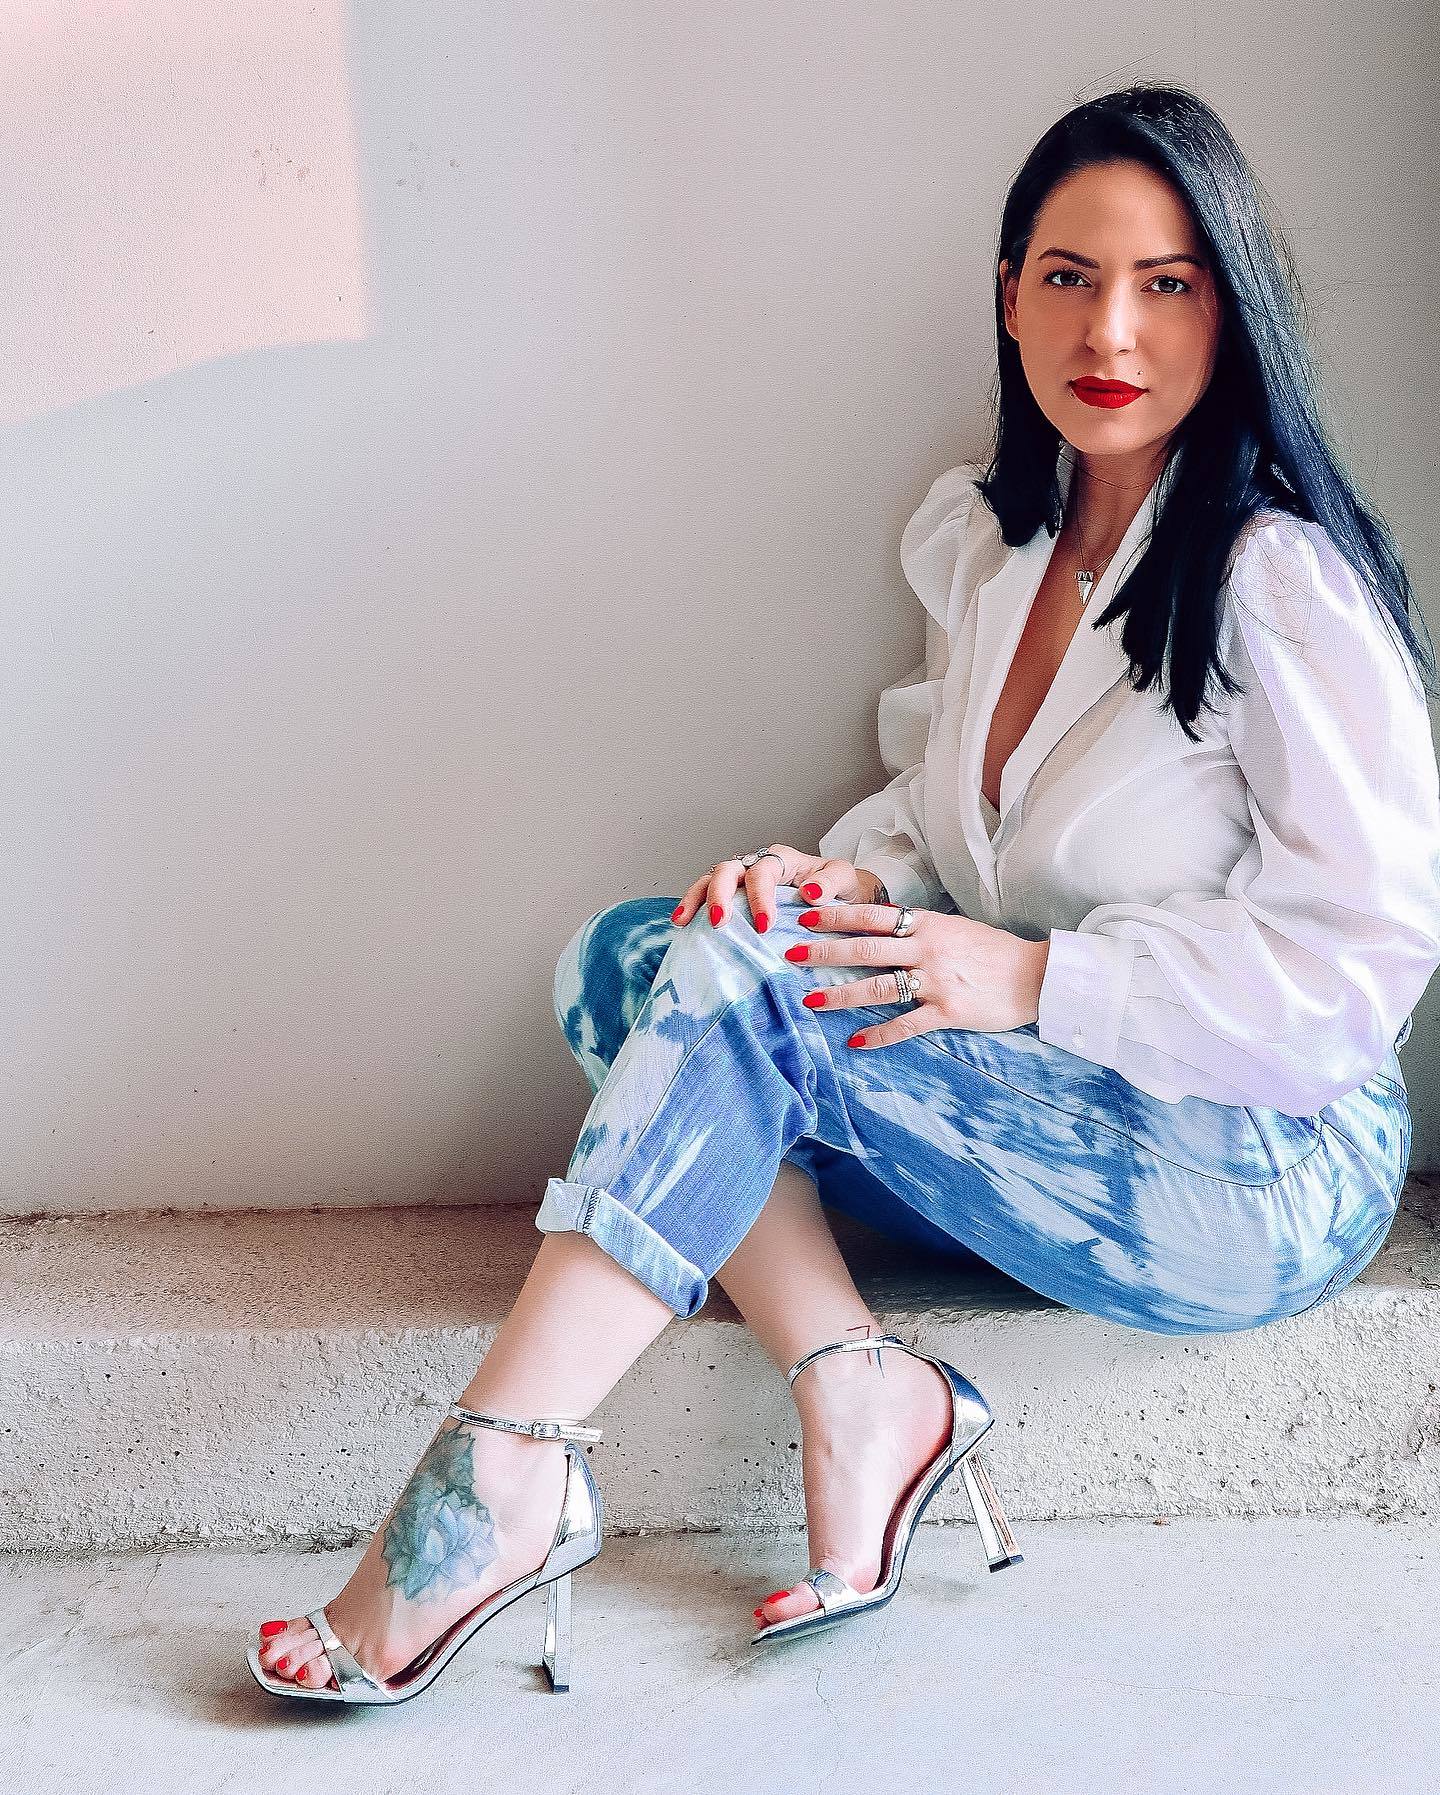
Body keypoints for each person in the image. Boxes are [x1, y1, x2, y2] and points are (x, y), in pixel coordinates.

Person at [247, 81, 1440, 1704]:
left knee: (733, 980)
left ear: (1229, 311)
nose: (1112, 329)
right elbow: (943, 836)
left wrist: (1036, 982)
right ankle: (860, 1383)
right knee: (632, 961)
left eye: (1168, 284)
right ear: (1008, 294)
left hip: (1259, 1167)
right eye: (1070, 276)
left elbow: (1357, 970)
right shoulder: (994, 549)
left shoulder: (1277, 582)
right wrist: (820, 885)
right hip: (1049, 1108)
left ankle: (499, 1480)